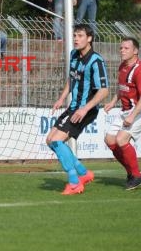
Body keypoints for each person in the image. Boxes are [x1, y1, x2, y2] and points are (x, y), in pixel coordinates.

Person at [46, 23, 109, 195]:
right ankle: (83, 173)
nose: (76, 38)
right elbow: (71, 79)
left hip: (86, 109)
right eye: (75, 35)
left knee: (57, 141)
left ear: (89, 39)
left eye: (80, 36)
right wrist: (61, 98)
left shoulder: (96, 61)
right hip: (74, 107)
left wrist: (84, 109)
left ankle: (75, 183)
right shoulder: (74, 55)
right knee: (50, 140)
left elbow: (104, 91)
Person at [103, 37, 141, 190]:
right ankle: (132, 173)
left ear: (135, 51)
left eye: (126, 48)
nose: (122, 51)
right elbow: (122, 88)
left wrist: (132, 116)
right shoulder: (122, 67)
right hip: (126, 111)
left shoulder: (140, 69)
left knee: (121, 139)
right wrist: (113, 102)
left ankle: (137, 176)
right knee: (110, 140)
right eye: (121, 48)